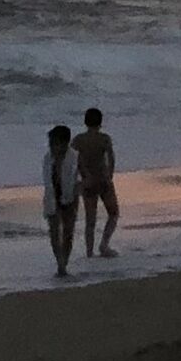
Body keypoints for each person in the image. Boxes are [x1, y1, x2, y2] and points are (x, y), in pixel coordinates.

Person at [74, 105, 119, 257]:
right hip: (102, 179)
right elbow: (111, 158)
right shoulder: (104, 139)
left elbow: (74, 160)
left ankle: (89, 252)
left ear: (85, 122)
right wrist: (110, 175)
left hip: (88, 181)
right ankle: (104, 244)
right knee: (113, 213)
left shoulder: (79, 140)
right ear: (100, 122)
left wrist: (78, 178)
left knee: (90, 220)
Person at [42, 120, 82, 274]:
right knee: (53, 231)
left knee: (68, 232)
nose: (52, 146)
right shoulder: (48, 158)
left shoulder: (74, 157)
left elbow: (78, 178)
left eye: (55, 143)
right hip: (52, 196)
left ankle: (64, 261)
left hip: (70, 196)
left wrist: (76, 193)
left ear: (65, 144)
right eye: (51, 143)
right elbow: (47, 181)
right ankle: (60, 263)